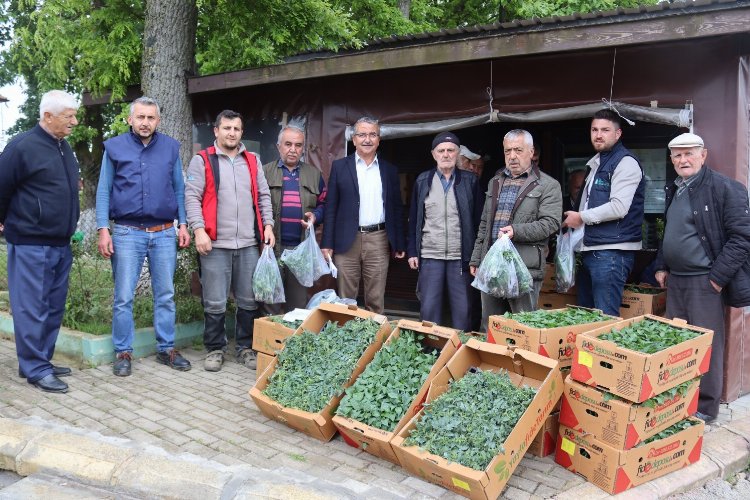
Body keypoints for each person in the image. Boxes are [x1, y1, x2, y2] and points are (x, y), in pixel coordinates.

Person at [654, 132, 750, 422]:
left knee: (705, 344)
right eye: (678, 155)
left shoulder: (725, 188)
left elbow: (742, 238)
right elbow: (669, 231)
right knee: (678, 344)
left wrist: (717, 278)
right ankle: (680, 402)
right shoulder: (677, 188)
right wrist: (661, 265)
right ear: (671, 160)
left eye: (689, 154)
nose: (683, 160)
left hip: (704, 281)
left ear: (703, 155)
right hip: (677, 280)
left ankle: (706, 409)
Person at [96, 96, 192, 377]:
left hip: (164, 233)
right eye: (140, 117)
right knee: (123, 296)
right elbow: (104, 191)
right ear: (130, 119)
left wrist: (183, 224)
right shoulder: (114, 148)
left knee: (165, 295)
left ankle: (166, 349)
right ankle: (123, 351)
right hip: (126, 233)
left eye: (151, 118)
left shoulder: (170, 148)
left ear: (158, 121)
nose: (145, 122)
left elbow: (179, 189)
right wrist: (103, 229)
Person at [0, 90, 80, 393]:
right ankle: (36, 368)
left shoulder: (64, 146)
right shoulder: (22, 146)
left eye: (74, 114)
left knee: (53, 306)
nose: (74, 121)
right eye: (68, 115)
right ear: (47, 116)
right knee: (31, 307)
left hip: (60, 242)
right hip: (31, 242)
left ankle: (38, 360)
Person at [185, 110, 275, 372]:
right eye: (226, 128)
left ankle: (245, 348)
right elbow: (191, 198)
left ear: (241, 132)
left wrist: (268, 226)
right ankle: (215, 349)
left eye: (236, 128)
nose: (231, 133)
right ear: (216, 131)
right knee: (214, 300)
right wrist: (199, 230)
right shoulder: (202, 160)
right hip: (215, 243)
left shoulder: (253, 161)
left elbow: (263, 196)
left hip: (248, 244)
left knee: (248, 299)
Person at [470, 129, 562, 330]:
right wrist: (477, 258)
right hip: (492, 266)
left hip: (524, 268)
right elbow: (485, 223)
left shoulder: (548, 185)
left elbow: (551, 223)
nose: (512, 156)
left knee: (523, 327)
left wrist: (516, 231)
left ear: (532, 152)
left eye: (518, 150)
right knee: (490, 325)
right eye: (507, 151)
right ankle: (491, 361)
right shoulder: (495, 182)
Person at [562, 109, 645, 316]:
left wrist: (580, 217)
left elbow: (619, 207)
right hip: (593, 249)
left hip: (612, 252)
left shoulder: (625, 162)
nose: (598, 135)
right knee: (587, 317)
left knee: (604, 320)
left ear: (618, 134)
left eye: (605, 130)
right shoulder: (597, 163)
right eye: (594, 130)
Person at [321, 117, 406, 314]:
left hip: (378, 239)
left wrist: (399, 242)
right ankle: (347, 340)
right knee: (346, 298)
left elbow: (396, 208)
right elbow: (331, 206)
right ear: (354, 139)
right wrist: (327, 243)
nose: (367, 139)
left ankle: (374, 341)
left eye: (372, 134)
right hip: (346, 240)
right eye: (362, 134)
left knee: (375, 298)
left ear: (379, 139)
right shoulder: (340, 167)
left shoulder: (389, 170)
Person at [408, 132, 483, 331]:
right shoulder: (423, 180)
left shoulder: (470, 181)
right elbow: (415, 218)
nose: (446, 154)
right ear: (434, 154)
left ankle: (461, 355)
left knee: (463, 311)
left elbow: (479, 221)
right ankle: (430, 354)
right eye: (441, 151)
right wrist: (412, 252)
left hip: (461, 258)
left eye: (451, 150)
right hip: (430, 255)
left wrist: (476, 257)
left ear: (457, 153)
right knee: (429, 310)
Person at [261, 125, 326, 314]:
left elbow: (325, 204)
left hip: (300, 250)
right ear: (278, 146)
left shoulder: (314, 174)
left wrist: (316, 216)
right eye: (288, 144)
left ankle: (290, 341)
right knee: (269, 301)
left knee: (297, 305)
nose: (293, 149)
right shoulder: (264, 172)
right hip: (272, 248)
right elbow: (255, 206)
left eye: (298, 145)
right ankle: (269, 341)